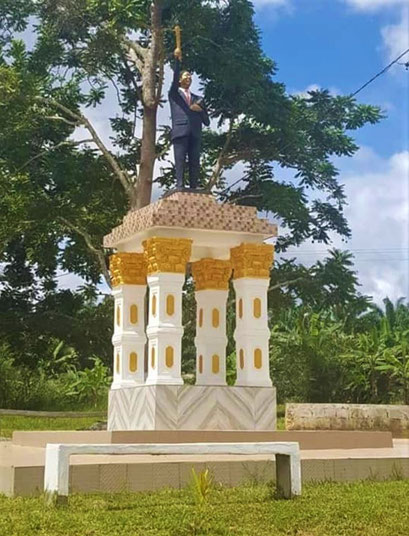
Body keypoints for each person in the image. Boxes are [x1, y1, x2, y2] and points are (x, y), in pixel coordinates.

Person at [169, 48, 210, 189]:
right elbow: (174, 79)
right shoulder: (174, 94)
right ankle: (179, 185)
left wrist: (200, 111)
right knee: (180, 160)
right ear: (180, 80)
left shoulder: (198, 99)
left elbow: (207, 121)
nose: (189, 78)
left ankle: (194, 186)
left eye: (190, 76)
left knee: (195, 161)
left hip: (195, 133)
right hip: (180, 131)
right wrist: (177, 61)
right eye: (186, 76)